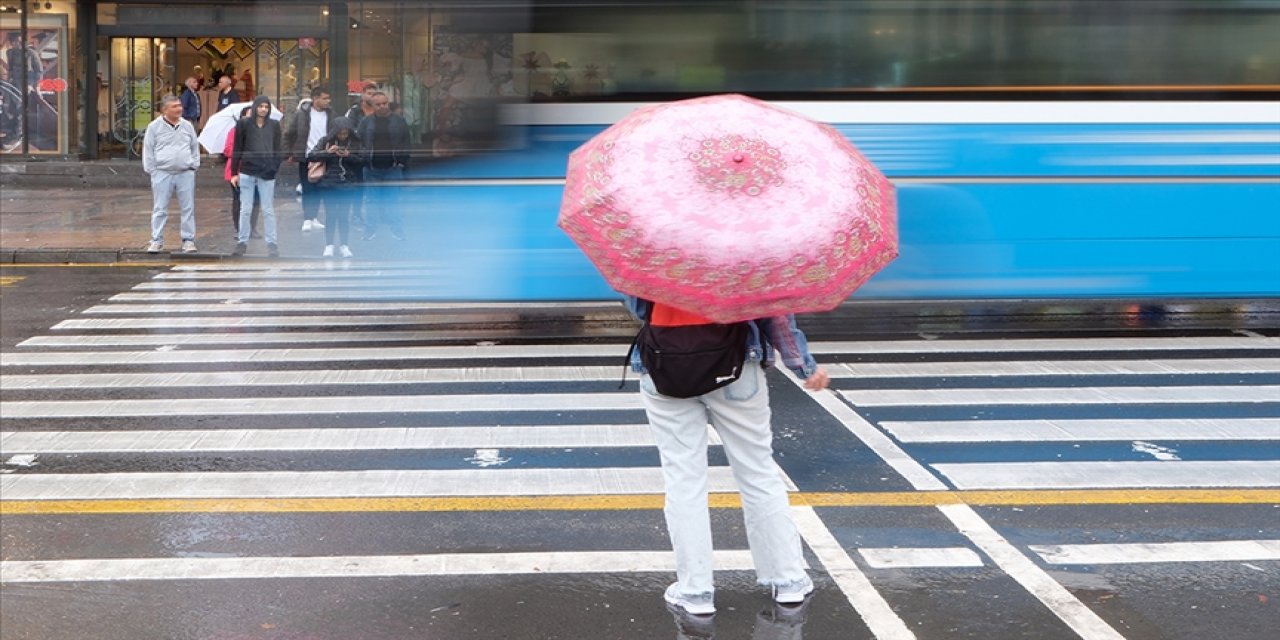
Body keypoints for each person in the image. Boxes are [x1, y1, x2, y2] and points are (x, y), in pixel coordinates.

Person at [624, 296, 829, 617]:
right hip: (737, 364)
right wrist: (803, 365)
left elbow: (640, 308)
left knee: (683, 479)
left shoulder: (649, 251)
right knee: (758, 473)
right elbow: (774, 314)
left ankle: (695, 591)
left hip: (666, 364)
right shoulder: (745, 248)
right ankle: (788, 580)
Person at [141, 94, 201, 254]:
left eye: (180, 105)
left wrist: (194, 165)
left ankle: (188, 240)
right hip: (162, 173)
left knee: (188, 208)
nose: (179, 109)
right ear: (165, 110)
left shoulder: (187, 126)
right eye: (174, 106)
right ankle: (156, 240)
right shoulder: (154, 127)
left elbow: (194, 146)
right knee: (160, 208)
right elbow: (148, 149)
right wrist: (152, 170)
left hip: (185, 172)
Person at [230, 95, 283, 257]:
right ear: (255, 107)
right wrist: (234, 172)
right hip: (247, 170)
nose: (263, 109)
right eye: (261, 106)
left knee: (268, 209)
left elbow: (278, 149)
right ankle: (242, 242)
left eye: (266, 107)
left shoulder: (274, 125)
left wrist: (274, 168)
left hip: (267, 172)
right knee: (245, 209)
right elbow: (237, 148)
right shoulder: (244, 124)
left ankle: (272, 243)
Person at [307, 116, 364, 258]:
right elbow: (311, 155)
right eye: (340, 133)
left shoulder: (355, 142)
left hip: (348, 183)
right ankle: (329, 245)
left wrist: (348, 155)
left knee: (344, 215)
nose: (343, 136)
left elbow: (363, 160)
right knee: (331, 215)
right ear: (334, 132)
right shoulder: (325, 141)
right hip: (329, 183)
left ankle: (345, 245)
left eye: (346, 133)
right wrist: (328, 152)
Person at [356, 91, 410, 241]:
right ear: (372, 106)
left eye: (384, 103)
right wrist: (363, 159)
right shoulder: (366, 122)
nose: (382, 107)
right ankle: (370, 230)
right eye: (378, 104)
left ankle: (397, 230)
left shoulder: (399, 121)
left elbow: (406, 142)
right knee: (371, 201)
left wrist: (402, 161)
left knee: (393, 200)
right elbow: (359, 142)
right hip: (371, 167)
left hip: (392, 167)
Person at [284, 86, 333, 232]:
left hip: (324, 157)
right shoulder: (302, 114)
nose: (328, 101)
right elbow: (289, 133)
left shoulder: (331, 115)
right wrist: (289, 153)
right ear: (315, 99)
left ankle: (314, 217)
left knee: (319, 189)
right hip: (306, 156)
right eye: (325, 98)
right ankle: (307, 218)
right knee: (307, 188)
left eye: (328, 98)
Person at [222, 105, 260, 239]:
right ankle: (239, 229)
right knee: (239, 200)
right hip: (237, 171)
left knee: (256, 201)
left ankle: (252, 228)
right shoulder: (234, 131)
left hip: (256, 170)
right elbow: (227, 150)